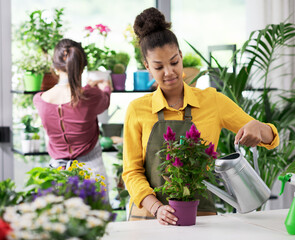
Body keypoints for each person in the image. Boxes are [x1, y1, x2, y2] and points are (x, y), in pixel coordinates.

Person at [122, 7, 280, 225]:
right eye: (159, 67)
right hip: (149, 218)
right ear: (147, 67)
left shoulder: (212, 101)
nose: (169, 72)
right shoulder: (137, 109)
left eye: (174, 62)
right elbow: (131, 172)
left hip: (201, 217)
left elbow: (269, 138)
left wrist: (257, 126)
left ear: (181, 56)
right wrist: (157, 208)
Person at [33, 38, 111, 184]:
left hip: (56, 176)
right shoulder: (91, 95)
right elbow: (104, 102)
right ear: (81, 68)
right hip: (92, 175)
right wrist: (106, 86)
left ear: (55, 67)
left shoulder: (40, 100)